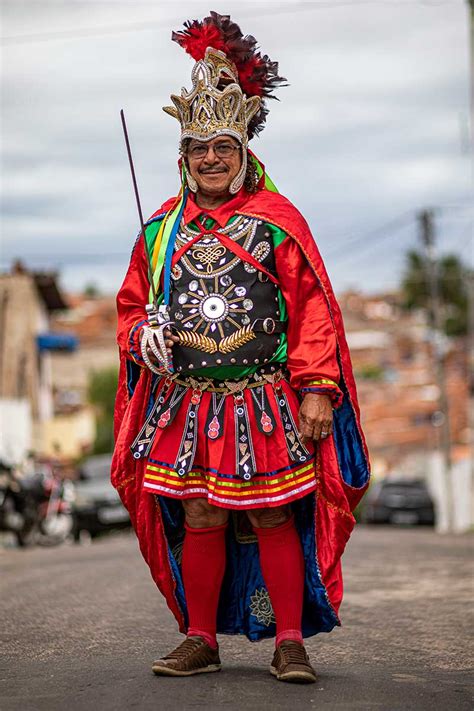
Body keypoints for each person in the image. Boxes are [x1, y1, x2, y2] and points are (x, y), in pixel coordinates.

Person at [112, 11, 370, 684]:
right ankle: (201, 636)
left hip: (264, 393)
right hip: (185, 402)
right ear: (183, 158)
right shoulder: (159, 233)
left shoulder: (278, 223)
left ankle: (289, 641)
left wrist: (318, 386)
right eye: (198, 149)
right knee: (198, 512)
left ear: (244, 151)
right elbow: (130, 308)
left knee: (274, 510)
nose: (210, 158)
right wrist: (143, 336)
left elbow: (312, 307)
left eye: (222, 147)